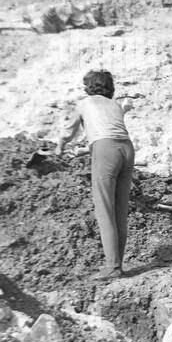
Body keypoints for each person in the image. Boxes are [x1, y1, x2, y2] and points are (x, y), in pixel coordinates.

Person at [53, 70, 136, 281]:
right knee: (120, 209)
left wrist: (60, 146)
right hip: (126, 149)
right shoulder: (115, 105)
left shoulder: (85, 103)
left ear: (89, 87)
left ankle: (112, 267)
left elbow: (68, 131)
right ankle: (118, 265)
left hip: (106, 149)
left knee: (104, 208)